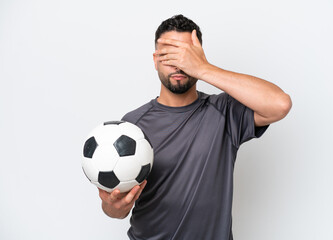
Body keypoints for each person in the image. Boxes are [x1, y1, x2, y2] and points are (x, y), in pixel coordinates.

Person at [98, 14, 292, 240]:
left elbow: (280, 104)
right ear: (155, 60)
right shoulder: (133, 125)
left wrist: (203, 68)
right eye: (170, 56)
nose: (178, 65)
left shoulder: (224, 112)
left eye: (185, 56)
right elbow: (114, 209)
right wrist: (114, 208)